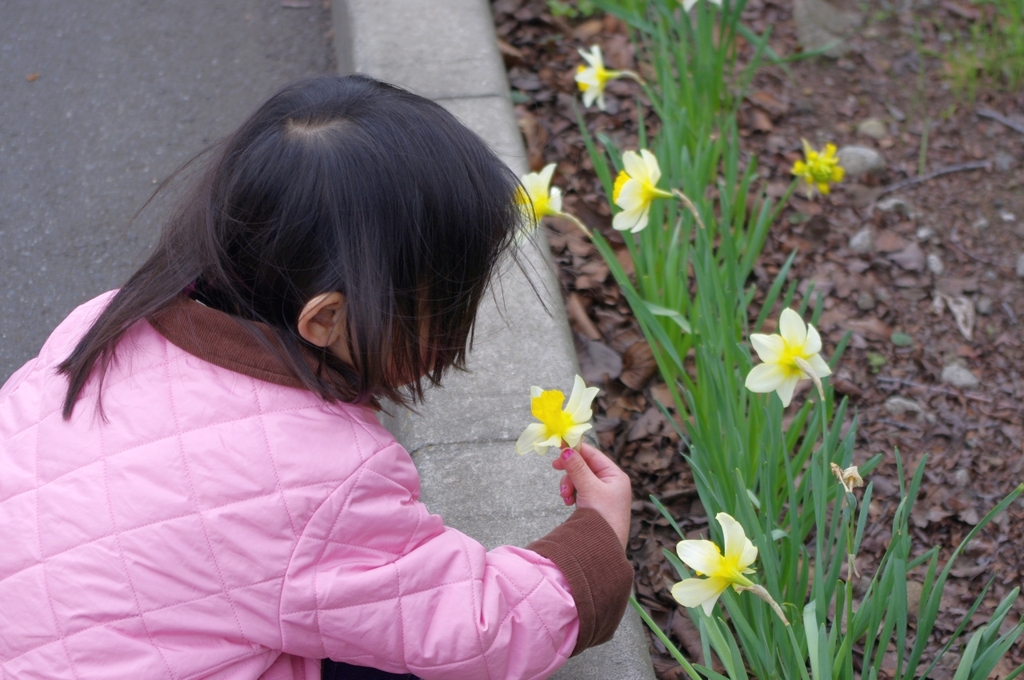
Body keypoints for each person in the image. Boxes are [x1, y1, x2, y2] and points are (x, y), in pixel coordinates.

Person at [0, 74, 634, 680]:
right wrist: (595, 542)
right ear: (326, 319)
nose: (453, 329)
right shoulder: (318, 478)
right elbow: (484, 632)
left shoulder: (102, 322)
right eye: (443, 305)